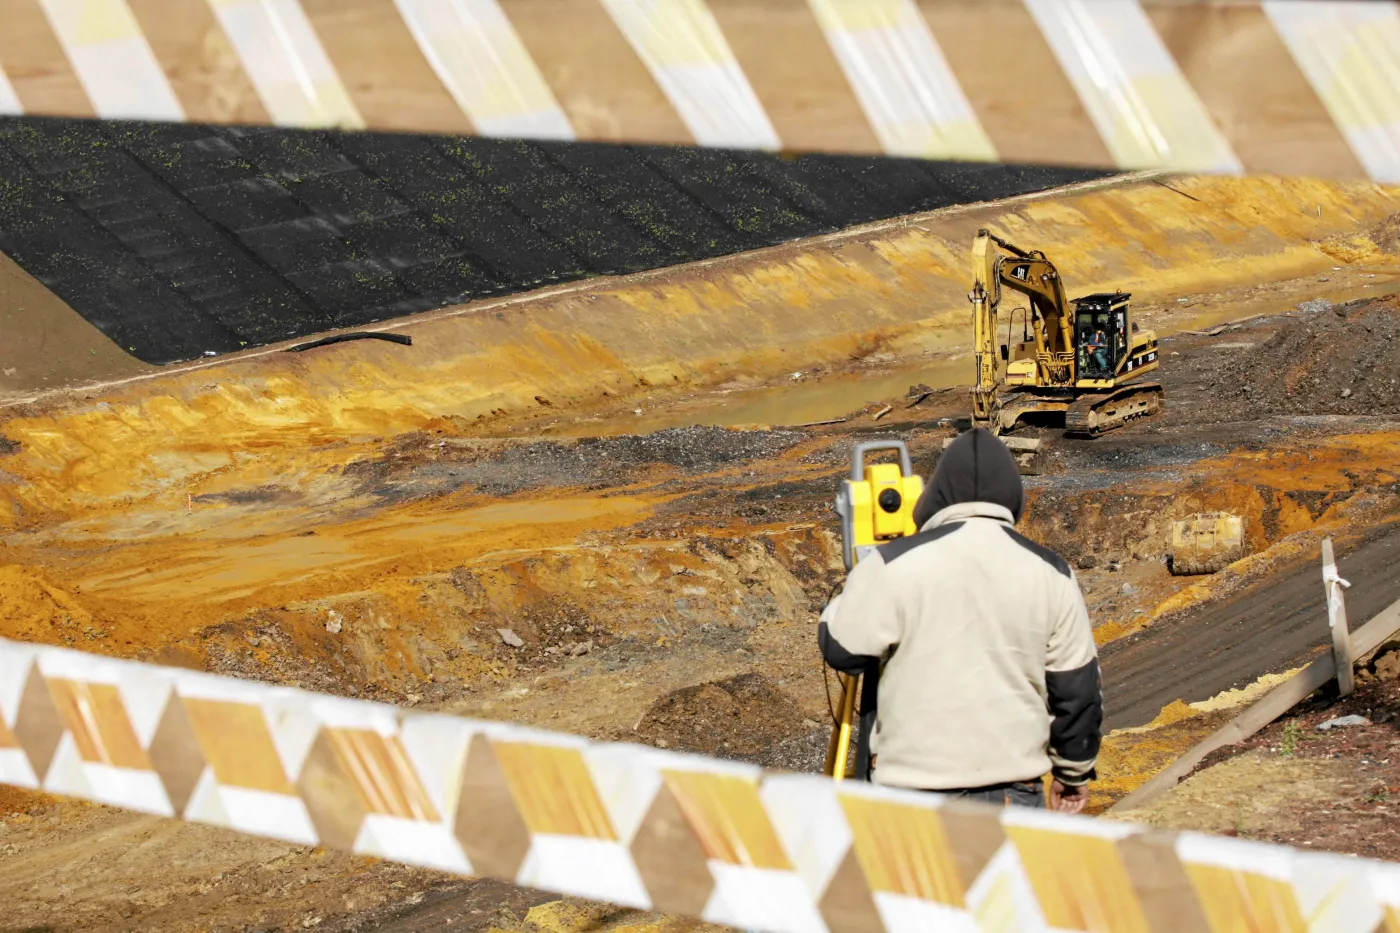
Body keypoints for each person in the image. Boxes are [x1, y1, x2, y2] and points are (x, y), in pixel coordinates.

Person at [818, 428, 1102, 811]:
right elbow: (1077, 690)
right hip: (1011, 793)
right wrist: (1072, 774)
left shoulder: (892, 566)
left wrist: (852, 588)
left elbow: (842, 650)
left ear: (935, 495)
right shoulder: (1053, 573)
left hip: (909, 796)